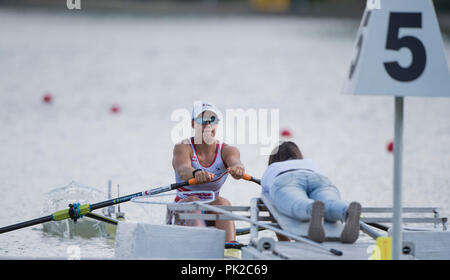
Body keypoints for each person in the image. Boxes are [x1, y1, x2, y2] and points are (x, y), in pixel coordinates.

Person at [171, 101, 245, 242]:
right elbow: (183, 169)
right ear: (193, 124)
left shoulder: (228, 150)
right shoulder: (182, 147)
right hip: (184, 209)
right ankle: (202, 246)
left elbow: (236, 162)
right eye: (202, 121)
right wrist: (196, 173)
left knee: (223, 203)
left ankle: (230, 250)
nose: (207, 125)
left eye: (212, 120)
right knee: (194, 201)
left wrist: (238, 169)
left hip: (211, 209)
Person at [261, 141, 361, 243]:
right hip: (318, 178)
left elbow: (271, 206)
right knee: (330, 201)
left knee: (296, 202)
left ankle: (311, 208)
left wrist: (285, 242)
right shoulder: (310, 163)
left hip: (285, 179)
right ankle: (346, 211)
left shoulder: (272, 168)